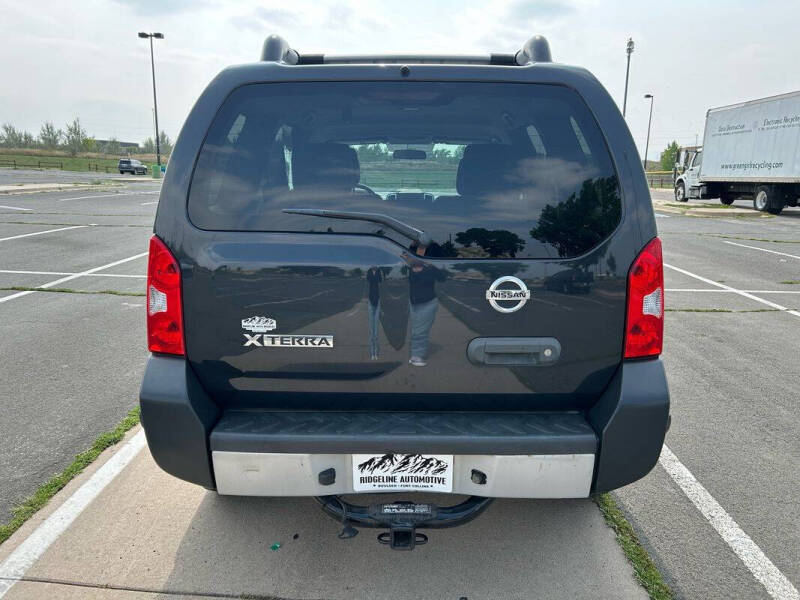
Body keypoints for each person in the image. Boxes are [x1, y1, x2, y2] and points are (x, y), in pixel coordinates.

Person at [403, 247, 446, 367]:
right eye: (417, 253)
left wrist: (431, 265)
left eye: (423, 254)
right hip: (413, 303)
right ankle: (416, 353)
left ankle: (417, 356)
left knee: (420, 331)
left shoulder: (430, 269)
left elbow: (443, 278)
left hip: (428, 303)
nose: (419, 256)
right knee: (415, 330)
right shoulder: (408, 269)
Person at [366, 266, 383, 360]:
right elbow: (368, 281)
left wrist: (377, 272)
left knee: (376, 331)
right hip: (370, 299)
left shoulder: (379, 272)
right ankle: (372, 353)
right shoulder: (369, 272)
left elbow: (380, 281)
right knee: (371, 331)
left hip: (378, 299)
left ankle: (376, 352)